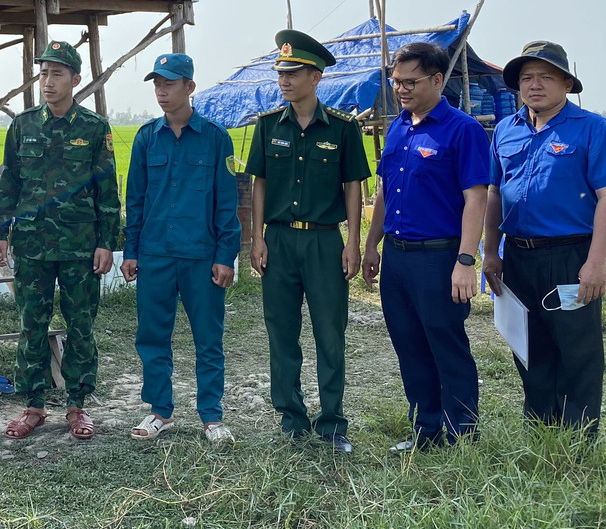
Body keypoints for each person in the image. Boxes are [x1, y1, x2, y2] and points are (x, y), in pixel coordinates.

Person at [483, 41, 606, 435]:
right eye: (527, 78)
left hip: (570, 255)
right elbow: (495, 193)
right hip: (518, 256)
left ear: (566, 83)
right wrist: (490, 252)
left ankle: (579, 438)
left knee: (577, 350)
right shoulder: (505, 131)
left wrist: (595, 263)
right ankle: (542, 427)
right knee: (528, 345)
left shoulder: (592, 129)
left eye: (546, 76)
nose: (535, 85)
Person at [0, 41, 121, 441]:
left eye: (57, 73)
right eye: (43, 73)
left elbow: (107, 192)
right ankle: (33, 406)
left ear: (75, 80)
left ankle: (77, 406)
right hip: (31, 245)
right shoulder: (23, 125)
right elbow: (9, 184)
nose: (47, 81)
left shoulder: (95, 128)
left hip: (81, 248)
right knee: (32, 326)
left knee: (81, 326)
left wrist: (106, 243)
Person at [247, 29, 371, 453]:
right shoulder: (267, 127)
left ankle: (333, 422)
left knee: (329, 333)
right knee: (281, 331)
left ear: (315, 77)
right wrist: (256, 237)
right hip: (278, 243)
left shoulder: (342, 128)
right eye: (281, 72)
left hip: (323, 244)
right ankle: (292, 418)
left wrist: (353, 242)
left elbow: (353, 186)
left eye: (294, 72)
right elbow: (258, 183)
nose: (284, 80)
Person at [361, 41, 488, 451]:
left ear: (437, 79)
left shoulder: (462, 129)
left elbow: (476, 198)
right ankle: (426, 429)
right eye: (396, 82)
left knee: (445, 343)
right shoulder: (399, 126)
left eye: (410, 82)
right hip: (397, 257)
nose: (401, 89)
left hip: (439, 257)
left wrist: (466, 260)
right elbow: (383, 193)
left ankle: (461, 433)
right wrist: (370, 245)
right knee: (409, 344)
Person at [122, 53, 242, 444]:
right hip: (156, 254)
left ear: (190, 87)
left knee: (208, 339)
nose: (161, 90)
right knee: (152, 336)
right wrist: (131, 250)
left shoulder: (215, 138)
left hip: (201, 256)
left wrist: (226, 255)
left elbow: (227, 202)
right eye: (157, 83)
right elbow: (135, 200)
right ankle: (159, 411)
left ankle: (212, 415)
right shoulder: (145, 138)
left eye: (169, 83)